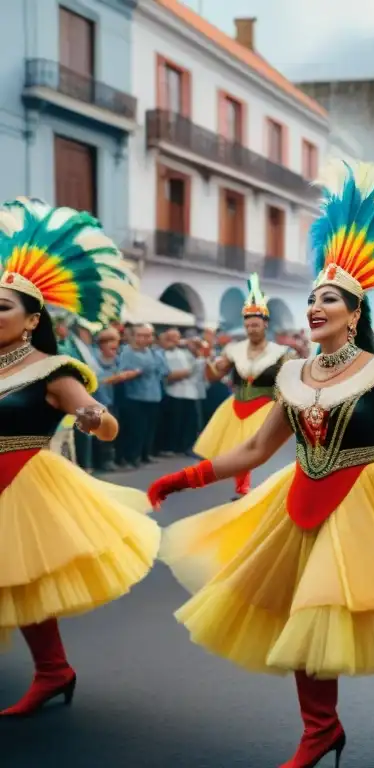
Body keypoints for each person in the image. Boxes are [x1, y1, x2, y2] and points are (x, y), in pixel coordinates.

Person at [147, 160, 374, 768]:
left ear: (354, 313)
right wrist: (181, 478)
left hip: (364, 498)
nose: (315, 306)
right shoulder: (291, 373)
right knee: (305, 611)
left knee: (368, 606)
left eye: (329, 299)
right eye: (312, 298)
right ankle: (323, 728)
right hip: (299, 495)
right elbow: (256, 450)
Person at [0, 197, 159, 716]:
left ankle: (52, 671)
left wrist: (95, 419)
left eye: (2, 306)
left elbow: (105, 423)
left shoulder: (53, 370)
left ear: (30, 320)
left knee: (20, 582)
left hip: (23, 484)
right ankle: (54, 671)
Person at [194, 274, 294, 498]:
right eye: (248, 325)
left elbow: (290, 381)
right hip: (237, 404)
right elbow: (214, 376)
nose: (252, 329)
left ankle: (260, 490)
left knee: (258, 448)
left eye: (256, 325)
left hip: (266, 406)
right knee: (240, 448)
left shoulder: (281, 353)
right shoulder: (234, 350)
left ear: (265, 325)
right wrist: (207, 360)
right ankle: (242, 489)